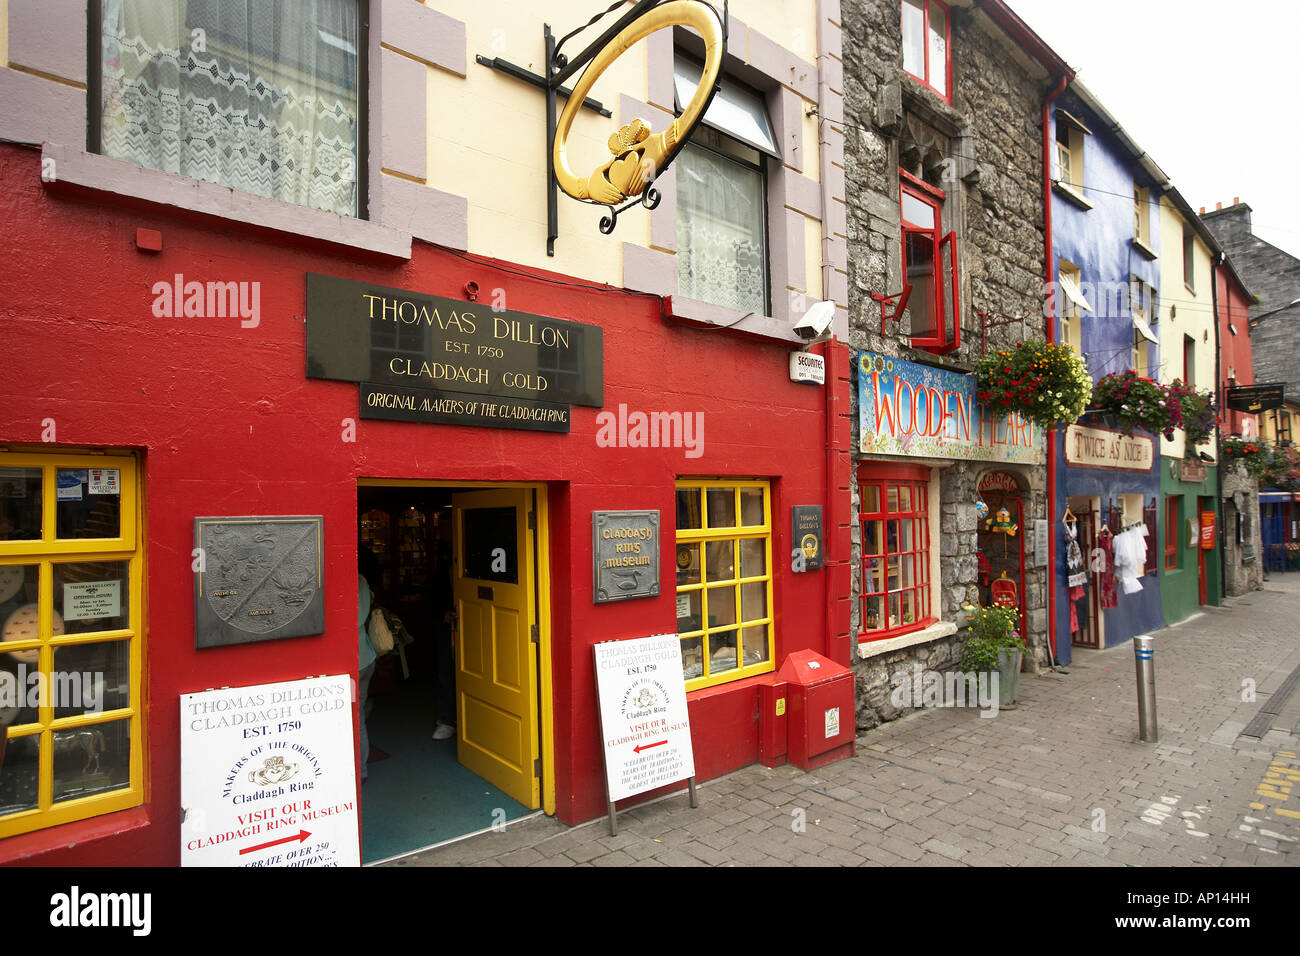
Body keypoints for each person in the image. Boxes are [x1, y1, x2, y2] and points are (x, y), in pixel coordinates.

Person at [357, 546, 382, 781]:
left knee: (351, 718)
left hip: (351, 660)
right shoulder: (363, 584)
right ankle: (361, 770)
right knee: (359, 718)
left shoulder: (340, 584)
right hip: (366, 656)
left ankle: (356, 771)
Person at [431, 519, 457, 741]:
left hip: (469, 619)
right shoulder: (441, 553)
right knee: (446, 670)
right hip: (447, 622)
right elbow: (436, 587)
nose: (441, 531)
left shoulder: (465, 548)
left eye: (444, 526)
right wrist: (442, 611)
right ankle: (447, 719)